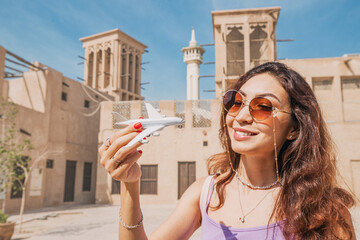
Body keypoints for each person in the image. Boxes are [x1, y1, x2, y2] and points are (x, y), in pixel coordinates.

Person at [99, 62, 356, 239]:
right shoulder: (205, 193)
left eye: (263, 106)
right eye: (236, 102)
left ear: (294, 129)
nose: (242, 116)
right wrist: (130, 185)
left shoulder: (325, 208)